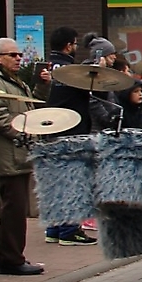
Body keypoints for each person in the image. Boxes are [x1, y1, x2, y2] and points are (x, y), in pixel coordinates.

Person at [0, 39, 44, 277]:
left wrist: (42, 85)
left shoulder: (11, 79)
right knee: (14, 208)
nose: (18, 58)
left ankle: (2, 255)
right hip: (10, 153)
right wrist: (22, 134)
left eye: (19, 54)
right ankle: (12, 259)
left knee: (14, 207)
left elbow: (30, 107)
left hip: (18, 152)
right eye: (12, 55)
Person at [42, 27, 95, 246]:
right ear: (68, 45)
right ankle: (70, 230)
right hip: (73, 129)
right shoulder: (72, 71)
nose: (75, 48)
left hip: (50, 128)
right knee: (73, 180)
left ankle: (54, 228)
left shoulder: (46, 68)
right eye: (74, 44)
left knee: (56, 180)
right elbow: (91, 92)